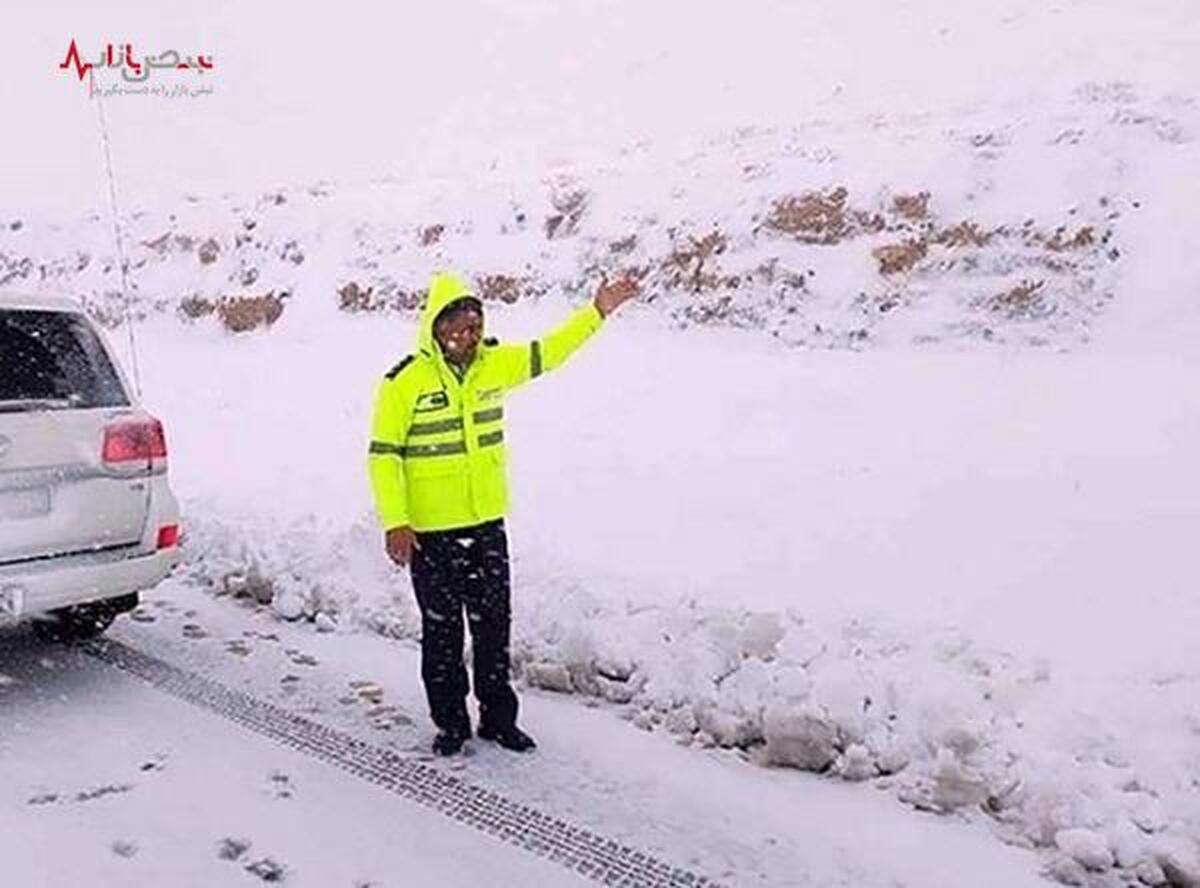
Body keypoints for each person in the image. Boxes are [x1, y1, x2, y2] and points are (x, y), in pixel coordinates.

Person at [367, 270, 639, 756]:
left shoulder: (496, 364)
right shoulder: (403, 383)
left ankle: (498, 718)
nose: (469, 337)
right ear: (436, 327)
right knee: (443, 635)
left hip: (486, 525)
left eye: (475, 326)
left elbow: (549, 352)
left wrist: (596, 312)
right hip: (430, 536)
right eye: (459, 327)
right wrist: (395, 521)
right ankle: (451, 723)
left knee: (494, 630)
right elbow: (384, 456)